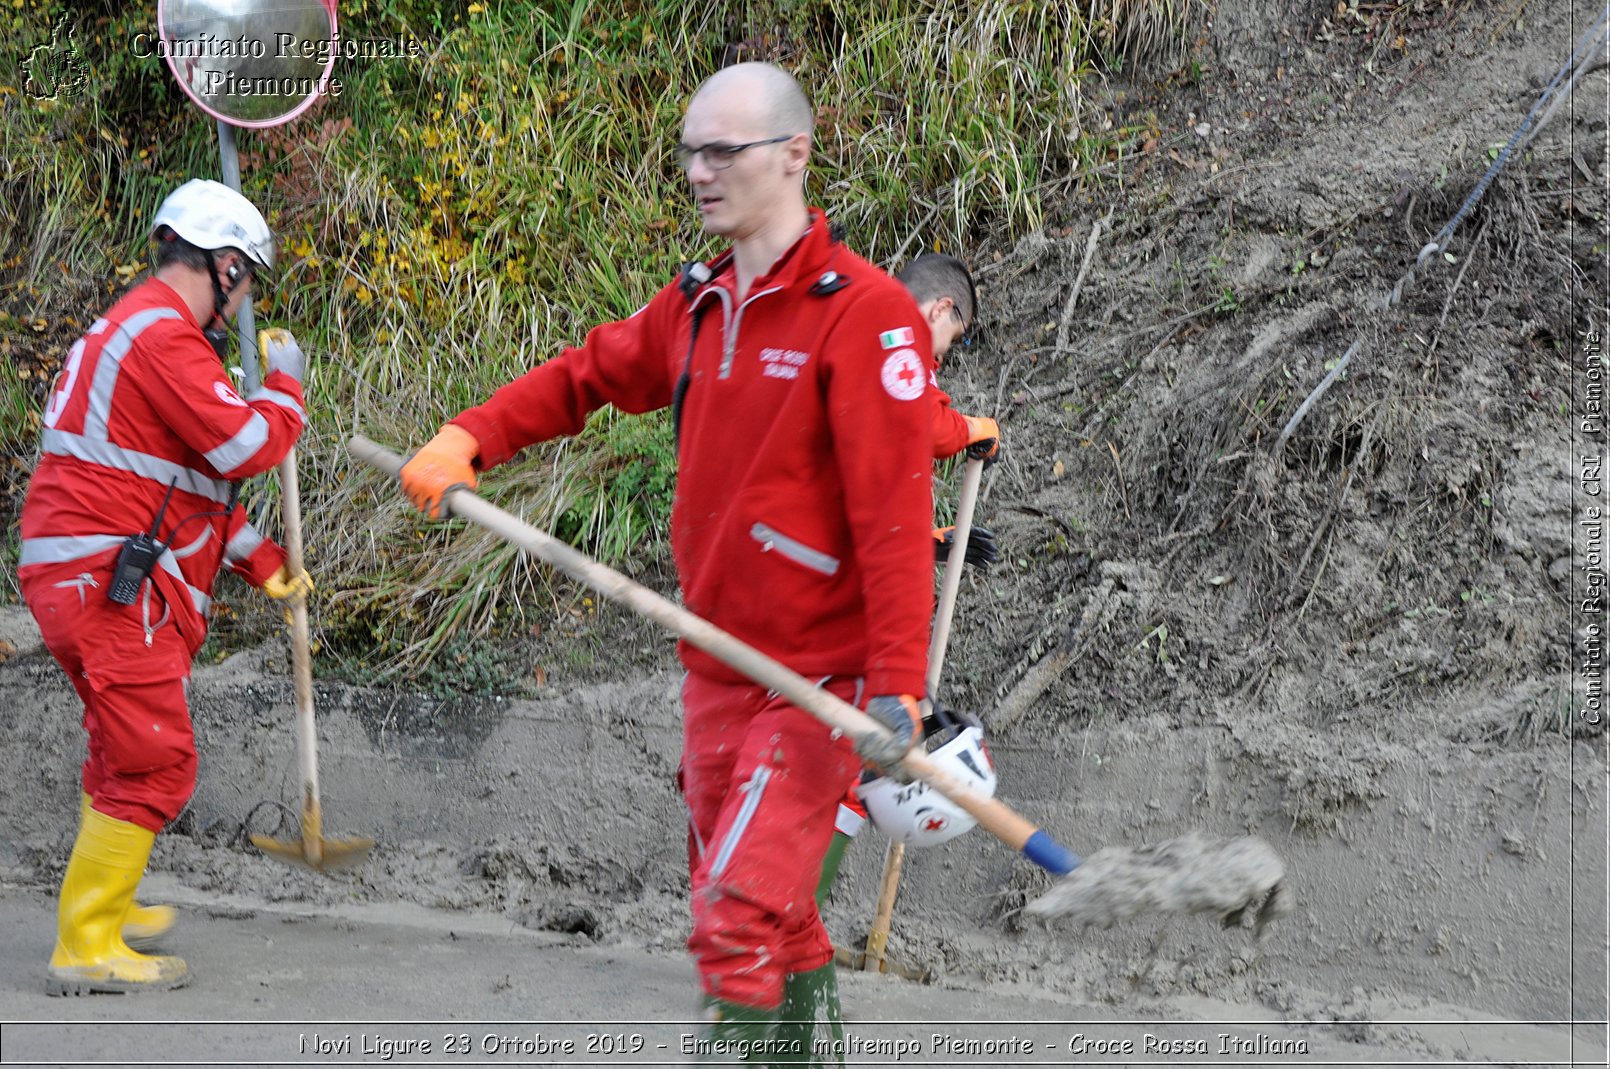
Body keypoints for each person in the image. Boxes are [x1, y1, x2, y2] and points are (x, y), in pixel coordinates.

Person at [400, 62, 937, 1062]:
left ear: (792, 154)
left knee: (735, 913)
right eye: (688, 150)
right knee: (774, 914)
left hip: (817, 687)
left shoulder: (861, 316)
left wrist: (897, 691)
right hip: (714, 669)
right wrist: (470, 437)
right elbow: (585, 376)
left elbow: (896, 522)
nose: (697, 170)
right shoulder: (693, 305)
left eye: (720, 150)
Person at [18, 178, 311, 995]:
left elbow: (194, 486)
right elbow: (249, 444)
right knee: (155, 759)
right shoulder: (161, 337)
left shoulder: (142, 332)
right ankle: (86, 942)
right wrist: (285, 386)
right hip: (103, 578)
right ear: (222, 266)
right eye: (246, 279)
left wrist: (260, 560)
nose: (245, 299)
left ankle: (103, 908)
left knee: (125, 747)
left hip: (90, 569)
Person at [815, 253, 1001, 907]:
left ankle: (787, 922)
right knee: (851, 758)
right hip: (843, 612)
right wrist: (968, 429)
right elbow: (920, 422)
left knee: (853, 762)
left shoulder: (855, 338)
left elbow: (865, 483)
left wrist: (929, 542)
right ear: (941, 310)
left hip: (850, 585)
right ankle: (787, 923)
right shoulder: (887, 336)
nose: (944, 359)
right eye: (952, 342)